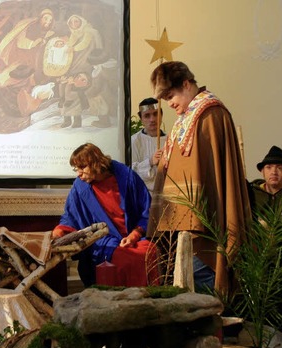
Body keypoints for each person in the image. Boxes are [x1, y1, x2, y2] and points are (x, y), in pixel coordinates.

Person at [147, 61, 251, 294]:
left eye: (171, 95)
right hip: (182, 228)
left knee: (201, 285)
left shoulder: (211, 113)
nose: (170, 103)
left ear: (186, 84)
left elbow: (213, 175)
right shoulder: (183, 118)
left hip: (205, 229)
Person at [52, 143, 156, 287]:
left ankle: (149, 301)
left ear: (96, 163)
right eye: (76, 169)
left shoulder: (126, 176)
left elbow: (146, 210)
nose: (79, 173)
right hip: (103, 239)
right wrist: (59, 232)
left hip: (134, 235)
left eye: (82, 168)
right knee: (126, 259)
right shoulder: (80, 186)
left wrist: (134, 235)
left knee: (150, 252)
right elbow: (71, 217)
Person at [131, 97, 167, 191]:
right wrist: (150, 162)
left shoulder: (169, 141)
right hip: (143, 196)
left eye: (156, 114)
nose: (152, 119)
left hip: (165, 195)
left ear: (161, 115)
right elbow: (131, 172)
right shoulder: (134, 141)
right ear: (141, 119)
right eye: (147, 116)